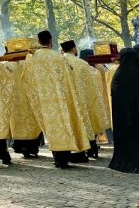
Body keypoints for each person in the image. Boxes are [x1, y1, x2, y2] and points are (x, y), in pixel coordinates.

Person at [18, 31, 92, 168]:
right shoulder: (58, 57)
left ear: (38, 41)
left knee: (51, 129)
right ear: (51, 40)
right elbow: (67, 78)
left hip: (42, 99)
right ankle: (63, 159)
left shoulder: (32, 57)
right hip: (60, 98)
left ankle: (58, 158)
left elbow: (26, 78)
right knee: (63, 126)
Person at [61, 40, 108, 159]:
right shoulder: (82, 63)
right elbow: (91, 85)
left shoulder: (58, 62)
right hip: (82, 100)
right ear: (74, 49)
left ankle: (75, 153)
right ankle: (92, 151)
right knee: (87, 124)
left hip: (66, 100)